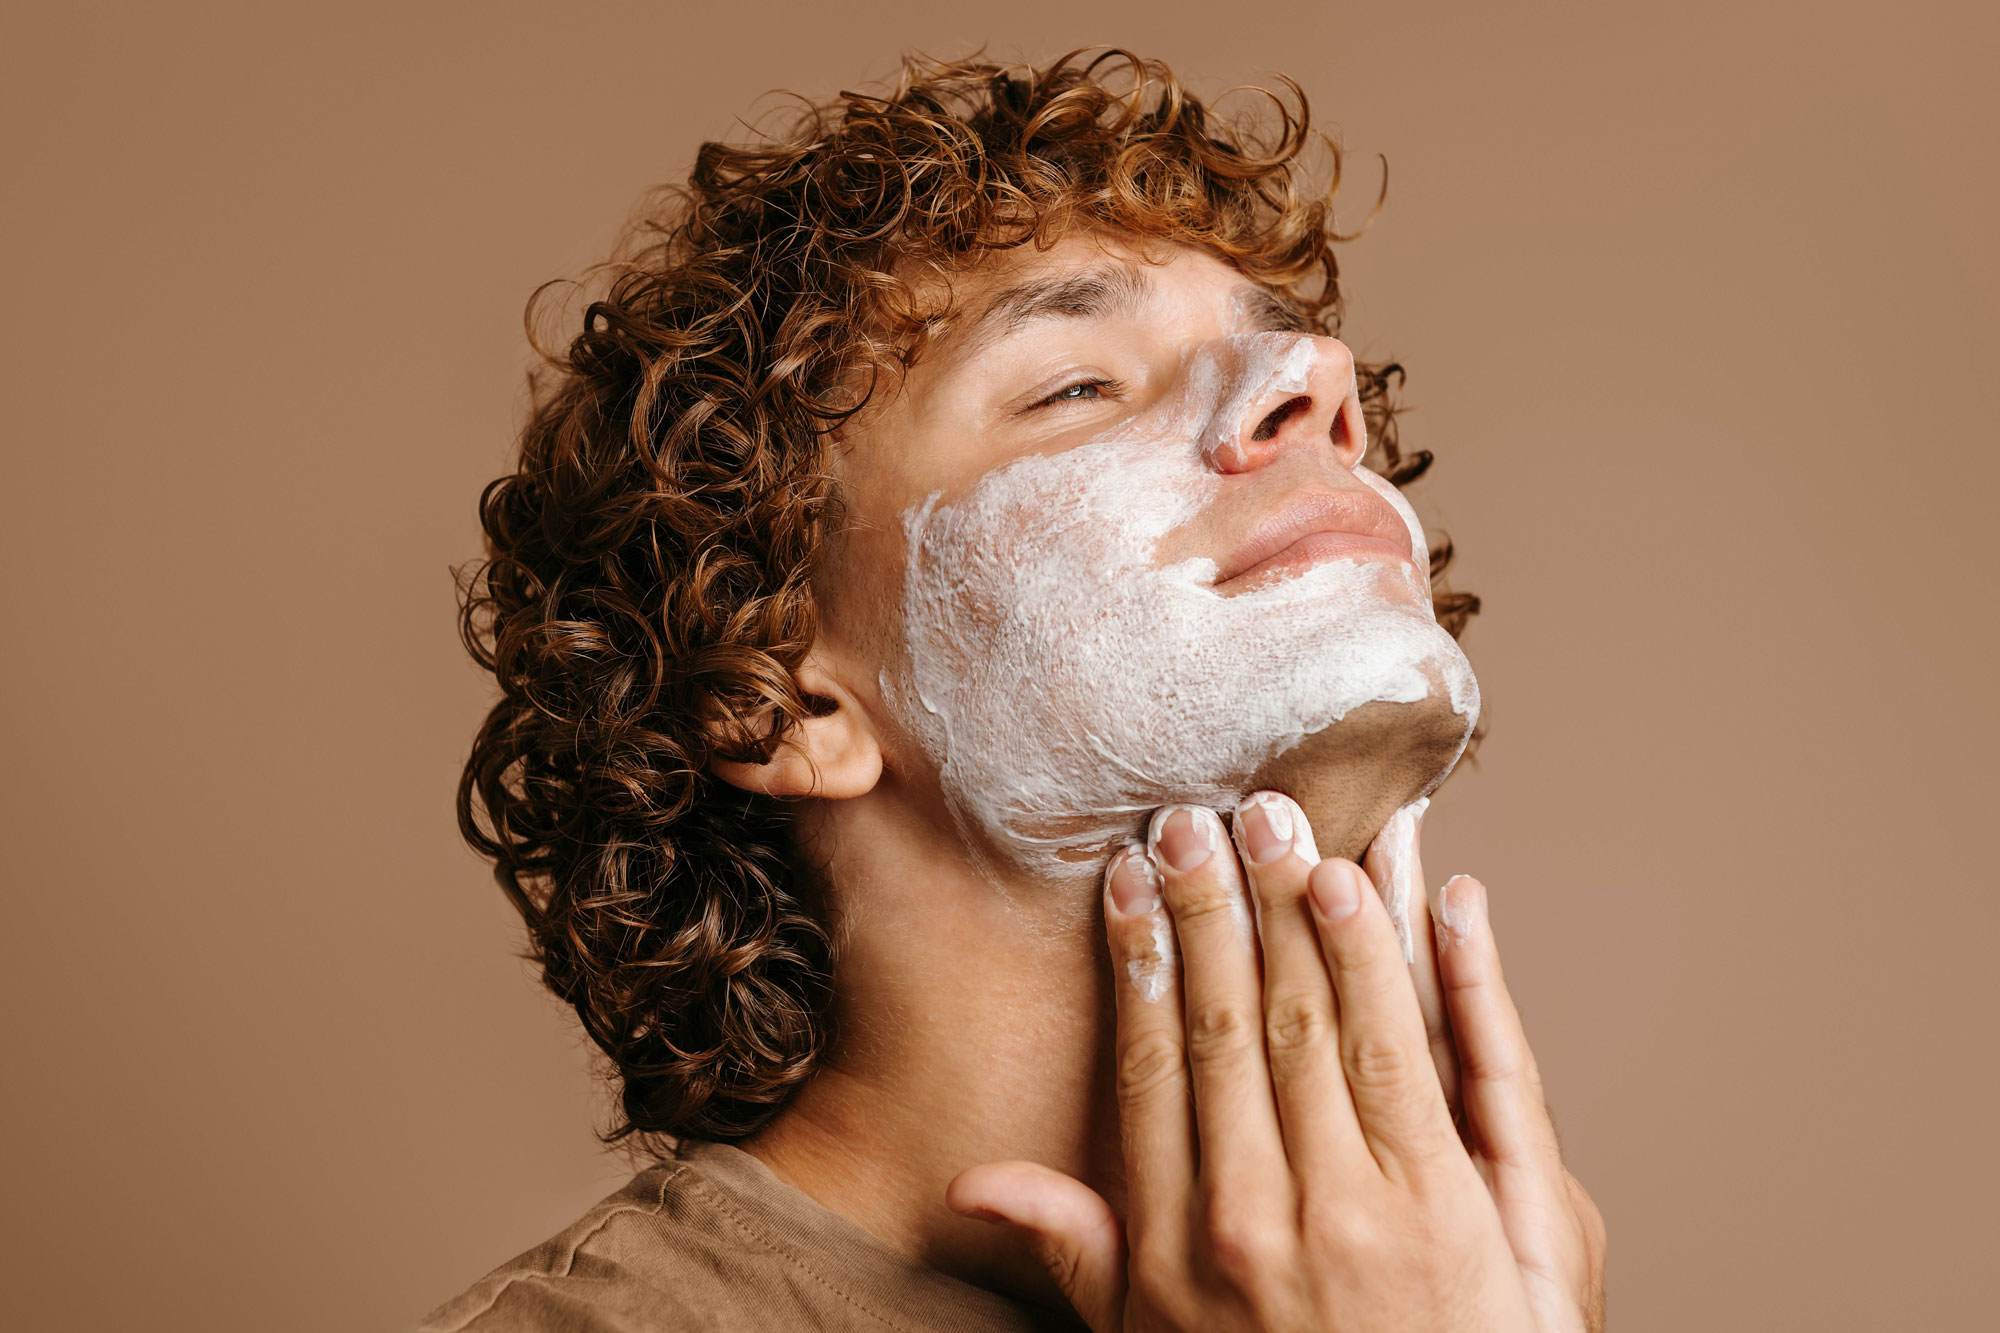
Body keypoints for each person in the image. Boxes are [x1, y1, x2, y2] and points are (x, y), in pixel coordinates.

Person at [430, 46, 1606, 1332]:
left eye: (1296, 362)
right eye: (1076, 386)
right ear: (776, 698)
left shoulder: (1479, 1270)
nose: (1314, 384)